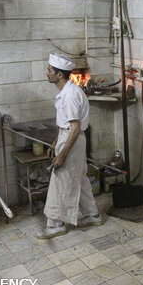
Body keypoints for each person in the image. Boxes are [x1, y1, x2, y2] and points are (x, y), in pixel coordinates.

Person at [36, 52, 102, 239]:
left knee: (61, 179)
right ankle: (92, 215)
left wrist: (63, 153)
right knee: (79, 177)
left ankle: (56, 224)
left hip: (73, 139)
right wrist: (55, 142)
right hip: (70, 137)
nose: (47, 72)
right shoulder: (67, 92)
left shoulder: (71, 95)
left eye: (50, 70)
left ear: (59, 75)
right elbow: (66, 125)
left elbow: (74, 127)